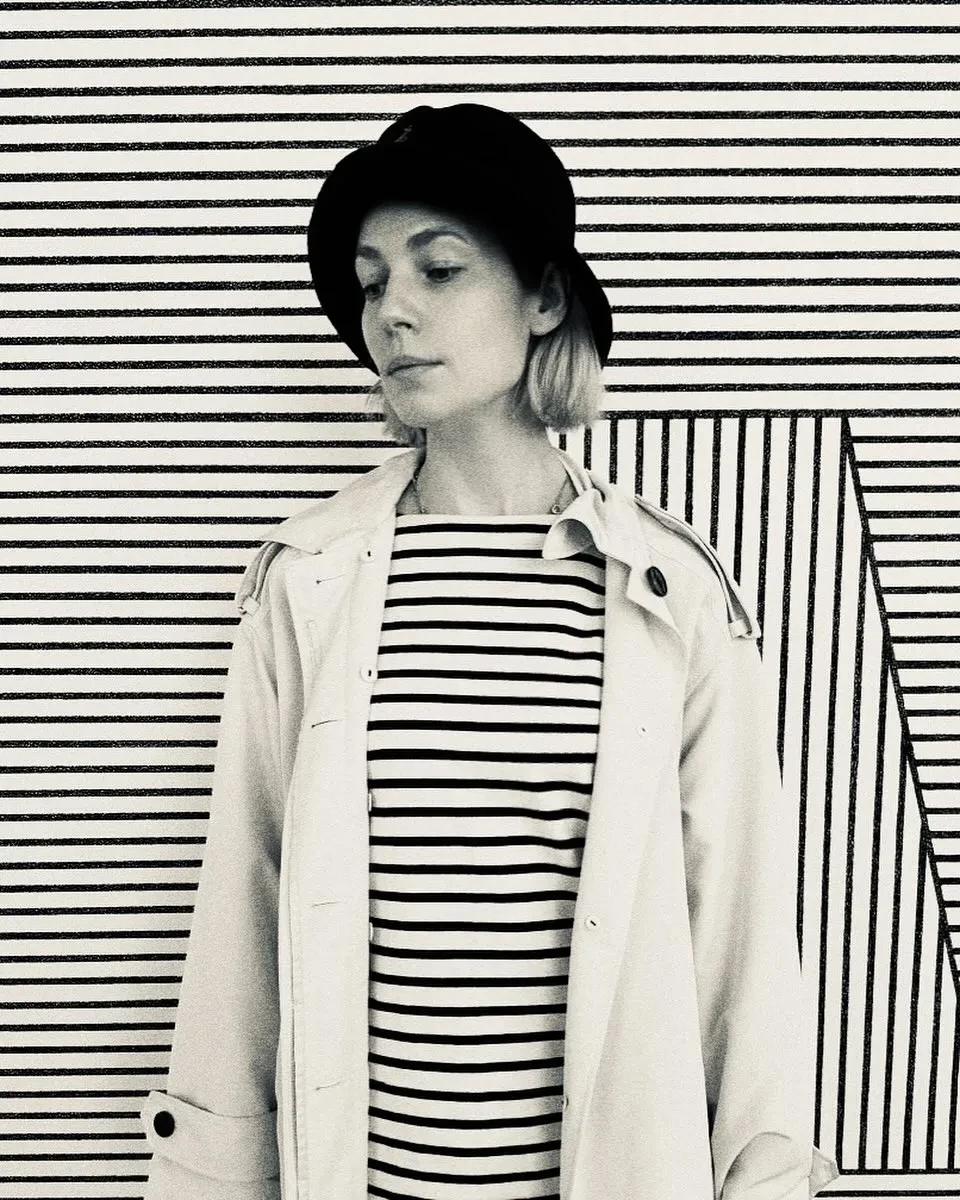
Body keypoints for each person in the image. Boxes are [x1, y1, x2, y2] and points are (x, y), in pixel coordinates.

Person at [140, 103, 839, 1200]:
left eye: (441, 268)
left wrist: (765, 1174)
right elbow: (244, 920)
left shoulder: (668, 592)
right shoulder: (309, 582)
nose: (392, 311)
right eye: (371, 282)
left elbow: (740, 938)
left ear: (544, 298)